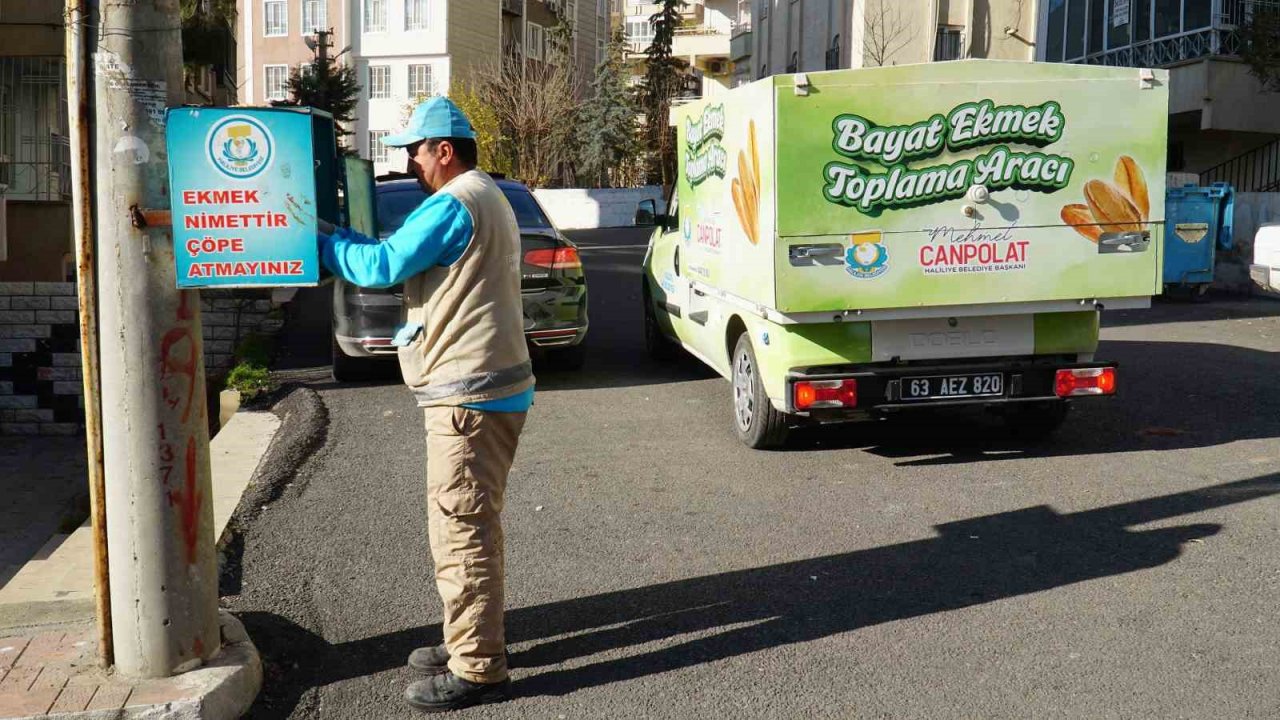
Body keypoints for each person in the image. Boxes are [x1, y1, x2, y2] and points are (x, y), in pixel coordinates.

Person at [316, 97, 533, 712]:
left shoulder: (454, 202)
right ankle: (467, 638)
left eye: (415, 149)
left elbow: (381, 265)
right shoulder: (485, 194)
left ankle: (478, 668)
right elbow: (395, 253)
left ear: (444, 149)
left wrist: (316, 236)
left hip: (470, 396)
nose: (410, 161)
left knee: (460, 531)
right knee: (469, 523)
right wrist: (337, 233)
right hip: (490, 388)